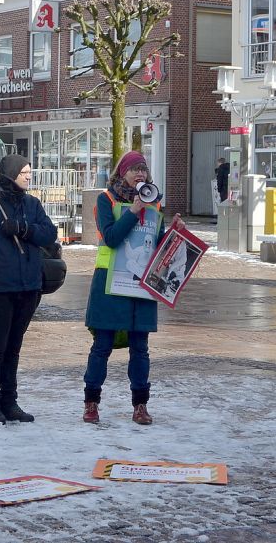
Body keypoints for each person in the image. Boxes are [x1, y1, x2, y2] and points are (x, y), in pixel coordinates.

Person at [83, 150, 185, 425]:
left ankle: (140, 405)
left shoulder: (155, 203)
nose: (140, 174)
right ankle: (91, 402)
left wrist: (174, 231)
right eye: (134, 170)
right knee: (102, 345)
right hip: (110, 283)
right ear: (122, 173)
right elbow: (113, 238)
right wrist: (133, 211)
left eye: (144, 170)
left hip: (140, 285)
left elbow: (159, 247)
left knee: (140, 348)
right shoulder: (106, 200)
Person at [0, 155, 57, 425]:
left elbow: (48, 234)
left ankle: (9, 399)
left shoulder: (32, 204)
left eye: (30, 172)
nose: (29, 176)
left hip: (28, 285)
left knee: (14, 346)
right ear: (11, 174)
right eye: (24, 172)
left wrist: (23, 229)